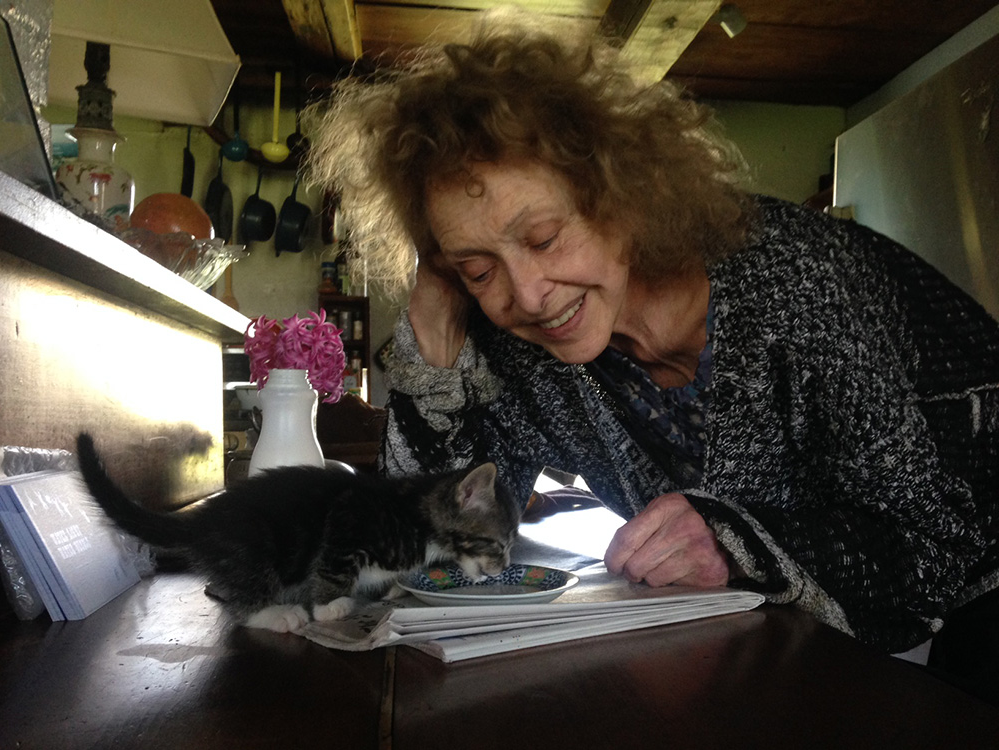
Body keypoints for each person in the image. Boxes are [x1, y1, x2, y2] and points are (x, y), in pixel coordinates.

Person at [304, 8, 999, 699]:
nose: (531, 295)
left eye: (544, 237)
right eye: (479, 268)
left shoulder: (795, 279)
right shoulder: (518, 348)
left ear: (623, 195)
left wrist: (733, 542)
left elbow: (933, 539)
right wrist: (431, 337)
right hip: (799, 649)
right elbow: (435, 555)